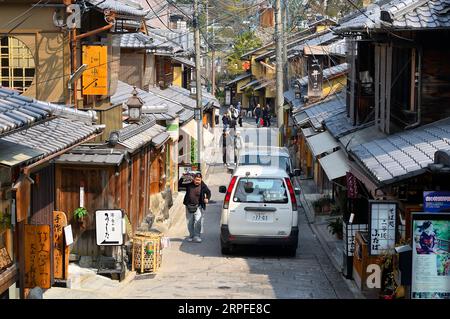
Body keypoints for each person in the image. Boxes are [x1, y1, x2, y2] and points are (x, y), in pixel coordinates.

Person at [179, 172, 211, 243]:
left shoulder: (203, 185)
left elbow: (208, 192)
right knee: (189, 222)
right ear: (193, 179)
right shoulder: (189, 184)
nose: (197, 181)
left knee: (198, 221)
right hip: (188, 206)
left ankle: (197, 236)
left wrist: (207, 198)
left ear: (201, 179)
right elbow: (180, 184)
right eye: (196, 180)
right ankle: (191, 235)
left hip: (198, 206)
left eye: (199, 180)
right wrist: (183, 177)